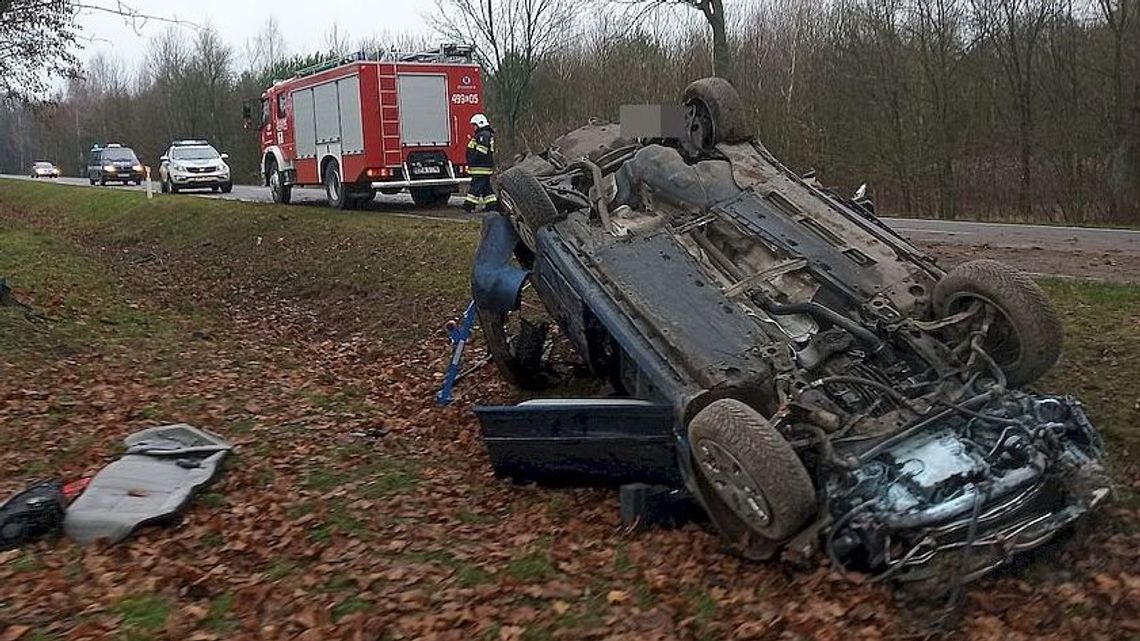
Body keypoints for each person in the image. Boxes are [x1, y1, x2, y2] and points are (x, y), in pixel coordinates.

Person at [464, 113, 498, 212]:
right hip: (483, 167)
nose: (473, 128)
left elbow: (481, 152)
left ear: (480, 124)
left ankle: (469, 205)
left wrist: (472, 160)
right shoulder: (484, 134)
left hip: (480, 167)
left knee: (476, 186)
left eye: (475, 125)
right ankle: (492, 204)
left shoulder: (482, 135)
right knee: (486, 188)